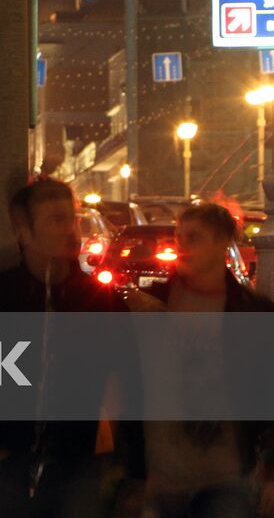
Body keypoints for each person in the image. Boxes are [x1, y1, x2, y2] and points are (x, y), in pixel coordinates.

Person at [0, 177, 139, 518]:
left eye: (71, 218)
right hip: (8, 463)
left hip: (81, 465)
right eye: (55, 220)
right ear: (24, 232)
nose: (69, 231)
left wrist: (136, 471)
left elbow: (131, 380)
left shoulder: (100, 301)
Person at [124, 203, 274, 518]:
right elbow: (132, 388)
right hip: (164, 476)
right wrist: (135, 473)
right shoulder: (153, 305)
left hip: (226, 474)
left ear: (222, 243)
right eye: (179, 237)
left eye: (194, 238)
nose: (182, 246)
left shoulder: (251, 313)